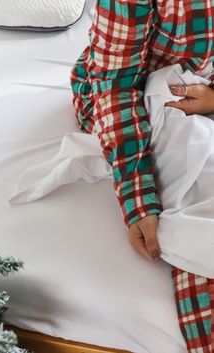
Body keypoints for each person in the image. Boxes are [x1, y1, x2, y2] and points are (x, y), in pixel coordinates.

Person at [70, 1, 214, 351]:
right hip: (138, 93)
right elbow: (115, 84)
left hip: (205, 92)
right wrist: (137, 193)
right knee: (196, 186)